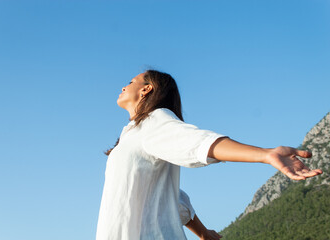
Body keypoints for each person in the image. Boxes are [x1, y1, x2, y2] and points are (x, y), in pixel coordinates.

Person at [96, 70, 322, 240]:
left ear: (146, 89)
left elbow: (198, 142)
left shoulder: (155, 120)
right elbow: (169, 196)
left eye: (131, 82)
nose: (124, 86)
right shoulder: (131, 134)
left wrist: (265, 154)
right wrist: (203, 232)